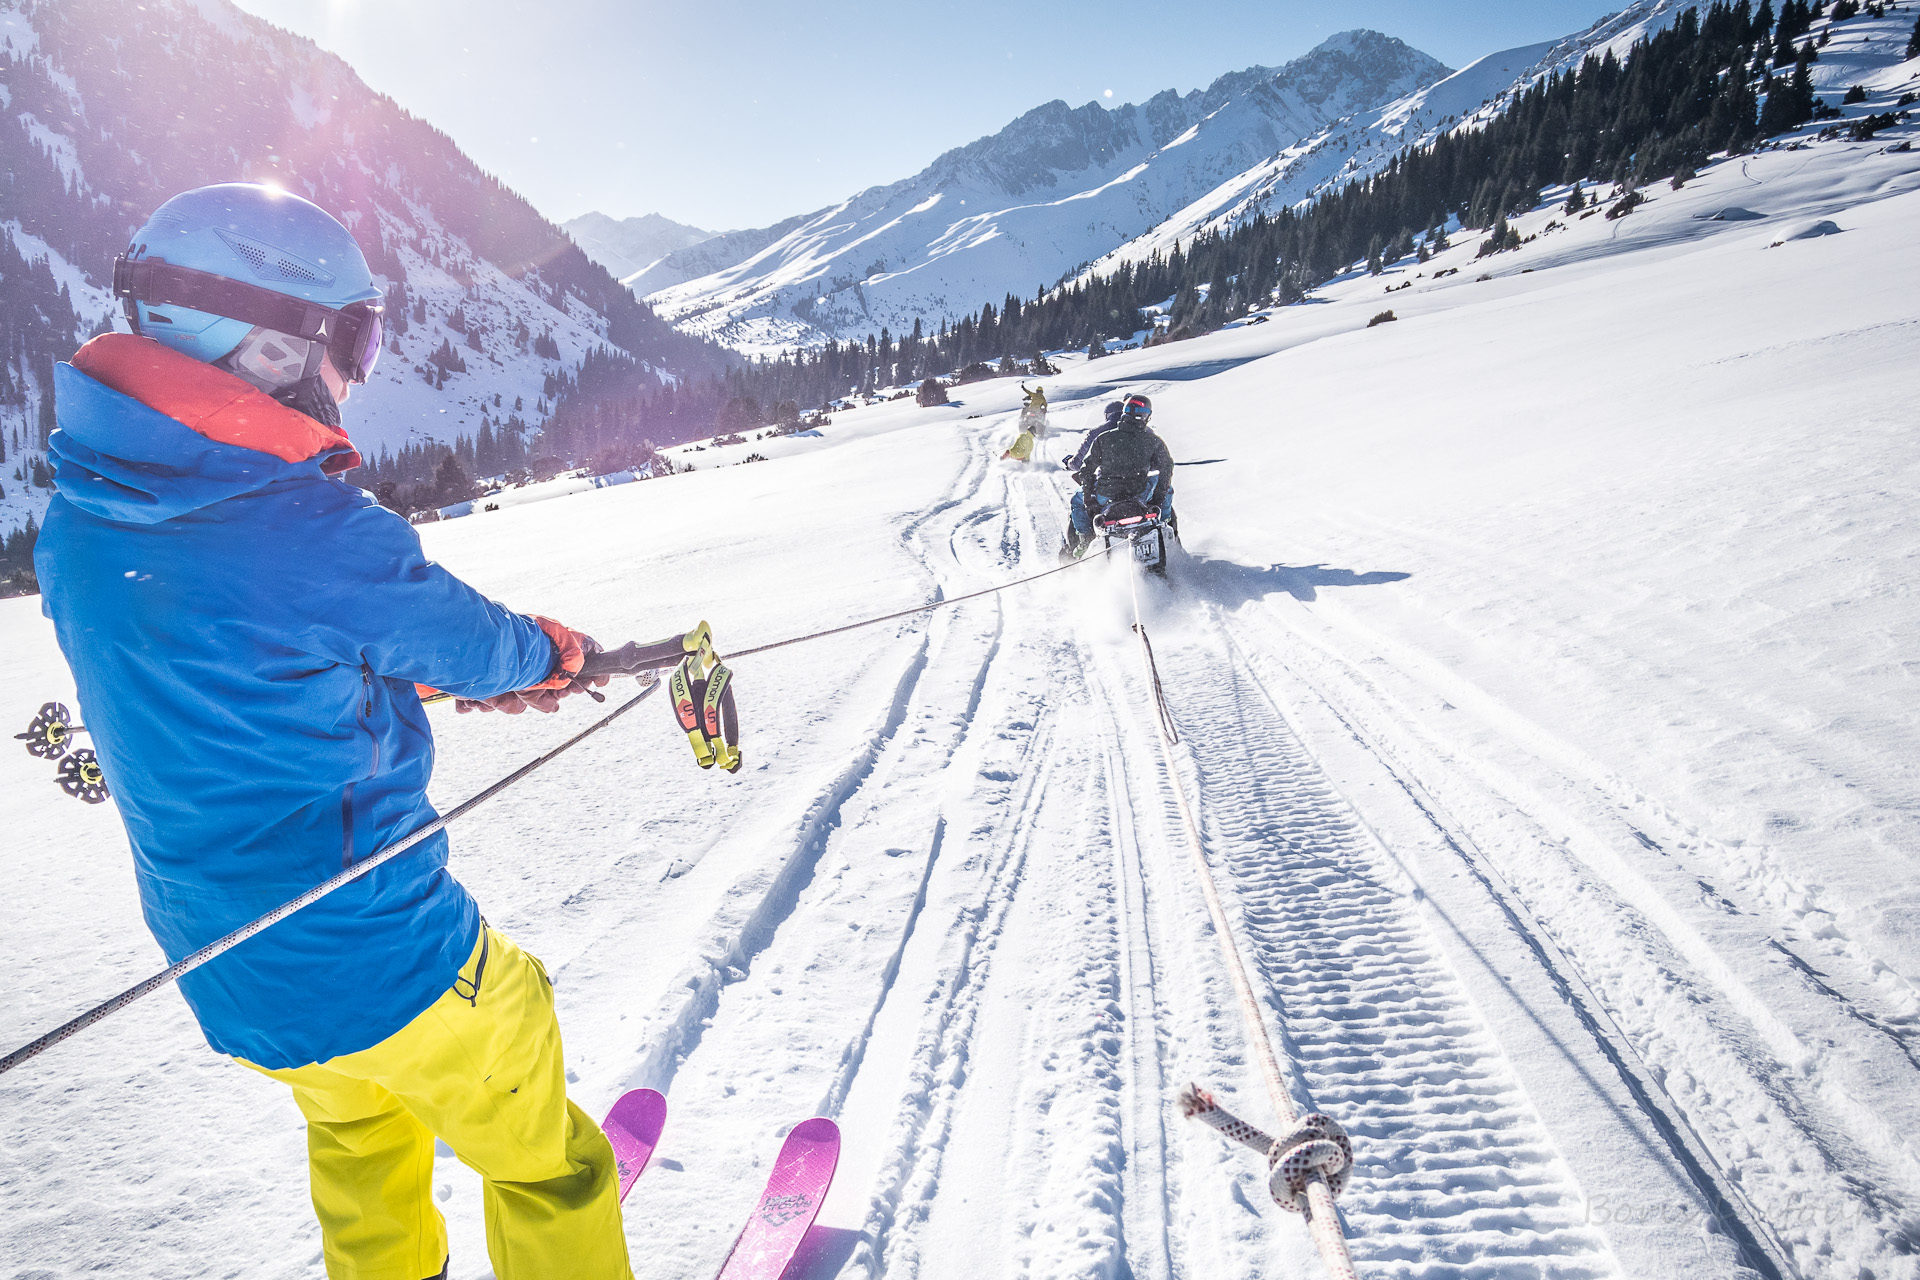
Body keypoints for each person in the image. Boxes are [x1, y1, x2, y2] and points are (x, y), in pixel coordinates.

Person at [35, 183, 635, 1280]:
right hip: (385, 952)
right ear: (270, 347)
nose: (355, 370)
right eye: (351, 337)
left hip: (230, 972)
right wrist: (545, 655)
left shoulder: (78, 523)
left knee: (360, 1128)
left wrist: (384, 680)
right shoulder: (308, 527)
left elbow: (226, 667)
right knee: (533, 1098)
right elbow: (468, 638)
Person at [1062, 392, 1175, 559]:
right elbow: (1166, 468)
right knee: (1169, 489)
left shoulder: (1103, 438)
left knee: (1076, 501)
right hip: (1140, 493)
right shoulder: (1153, 440)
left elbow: (1086, 470)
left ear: (1124, 412)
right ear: (1146, 417)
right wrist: (1158, 499)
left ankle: (1085, 539)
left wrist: (1089, 500)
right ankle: (1165, 525)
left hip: (1105, 495)